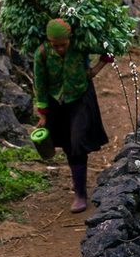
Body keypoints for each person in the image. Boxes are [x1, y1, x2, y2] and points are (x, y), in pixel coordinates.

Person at [33, 18, 113, 212]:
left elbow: (109, 48)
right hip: (56, 102)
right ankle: (79, 188)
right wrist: (43, 115)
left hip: (80, 97)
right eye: (56, 45)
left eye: (64, 44)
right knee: (69, 145)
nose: (60, 49)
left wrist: (93, 71)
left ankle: (80, 195)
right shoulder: (42, 53)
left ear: (70, 39)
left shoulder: (80, 45)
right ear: (49, 41)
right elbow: (40, 84)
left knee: (78, 142)